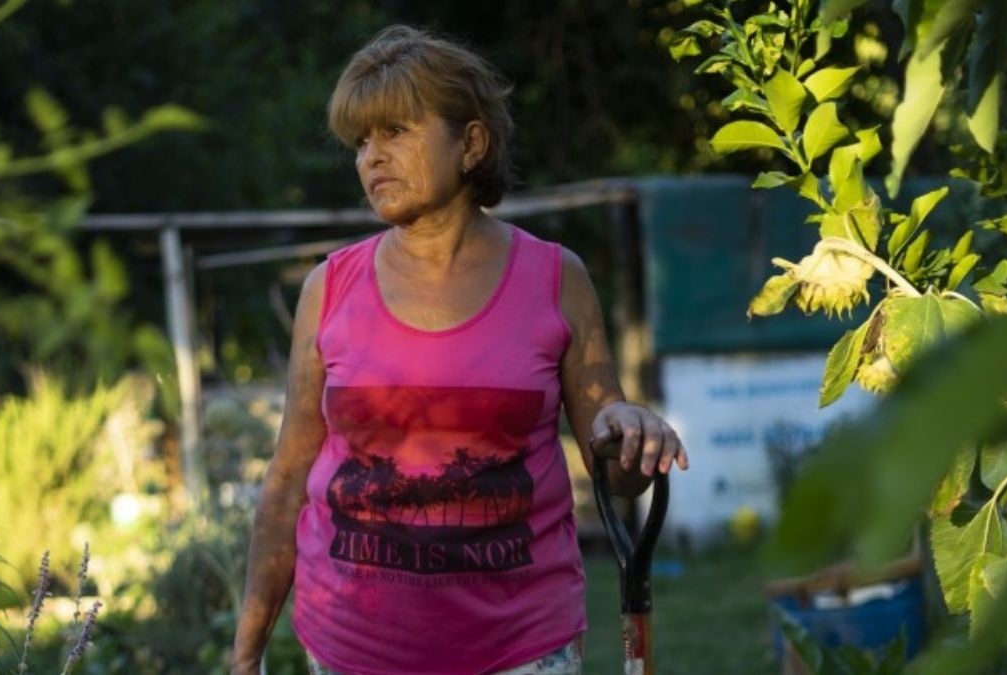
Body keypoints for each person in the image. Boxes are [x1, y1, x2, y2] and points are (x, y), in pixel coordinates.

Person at [231, 25, 689, 675]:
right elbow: (286, 480)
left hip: (522, 647)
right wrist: (246, 651)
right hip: (352, 647)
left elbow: (614, 470)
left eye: (396, 131)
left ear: (470, 142)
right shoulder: (328, 289)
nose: (371, 157)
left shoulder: (558, 279)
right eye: (361, 140)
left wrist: (630, 430)